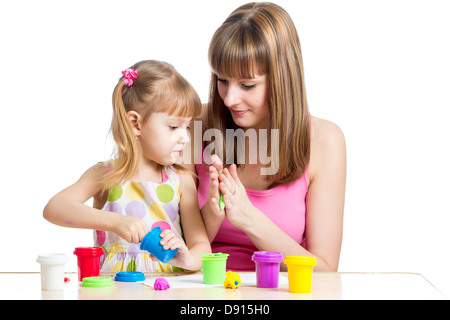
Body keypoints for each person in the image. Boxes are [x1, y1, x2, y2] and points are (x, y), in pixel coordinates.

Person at [186, 2, 346, 272]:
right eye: (221, 80)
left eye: (247, 85)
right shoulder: (193, 124)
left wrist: (249, 218)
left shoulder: (325, 142)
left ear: (283, 79)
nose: (229, 99)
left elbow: (325, 271)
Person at [44, 60, 211, 272]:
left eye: (187, 127)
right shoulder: (105, 175)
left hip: (168, 290)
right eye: (174, 126)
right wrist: (115, 222)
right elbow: (54, 208)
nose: (185, 138)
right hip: (114, 292)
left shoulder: (181, 180)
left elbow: (202, 246)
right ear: (135, 123)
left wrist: (187, 259)